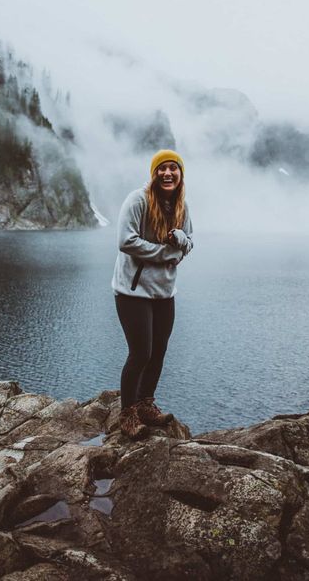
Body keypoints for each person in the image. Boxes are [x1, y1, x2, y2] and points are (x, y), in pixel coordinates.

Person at [111, 149, 193, 439]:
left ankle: (146, 403)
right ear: (154, 173)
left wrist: (181, 240)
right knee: (140, 353)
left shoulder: (181, 206)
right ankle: (128, 414)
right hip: (132, 293)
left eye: (173, 168)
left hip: (164, 294)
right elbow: (125, 240)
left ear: (180, 174)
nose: (167, 173)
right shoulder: (138, 200)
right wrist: (164, 253)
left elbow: (190, 242)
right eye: (162, 169)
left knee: (158, 351)